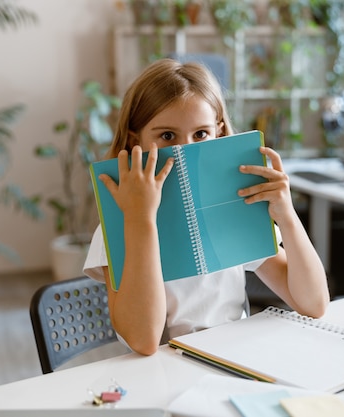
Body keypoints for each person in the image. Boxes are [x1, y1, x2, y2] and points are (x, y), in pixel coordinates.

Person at [84, 58, 329, 356]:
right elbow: (143, 340)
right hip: (162, 372)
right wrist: (140, 219)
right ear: (136, 140)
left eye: (200, 134)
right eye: (167, 136)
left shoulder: (232, 208)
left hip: (234, 362)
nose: (185, 151)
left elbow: (313, 303)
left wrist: (287, 216)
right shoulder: (117, 225)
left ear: (219, 134)